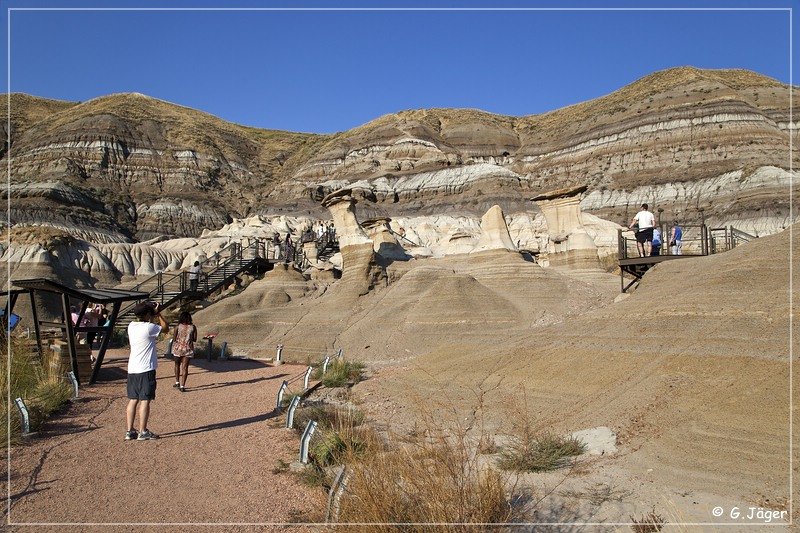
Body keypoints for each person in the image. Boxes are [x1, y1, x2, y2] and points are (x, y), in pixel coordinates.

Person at [125, 301, 167, 441]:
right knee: (145, 400)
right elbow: (165, 328)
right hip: (146, 368)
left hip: (132, 369)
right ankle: (142, 431)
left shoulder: (131, 326)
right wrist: (158, 314)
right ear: (148, 314)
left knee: (133, 400)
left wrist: (151, 313)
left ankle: (130, 431)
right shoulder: (149, 328)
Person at [171, 311, 197, 392]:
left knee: (176, 365)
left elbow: (174, 338)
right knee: (185, 368)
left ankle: (177, 382)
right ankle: (182, 386)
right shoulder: (193, 327)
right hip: (188, 349)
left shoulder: (177, 327)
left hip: (178, 348)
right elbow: (194, 339)